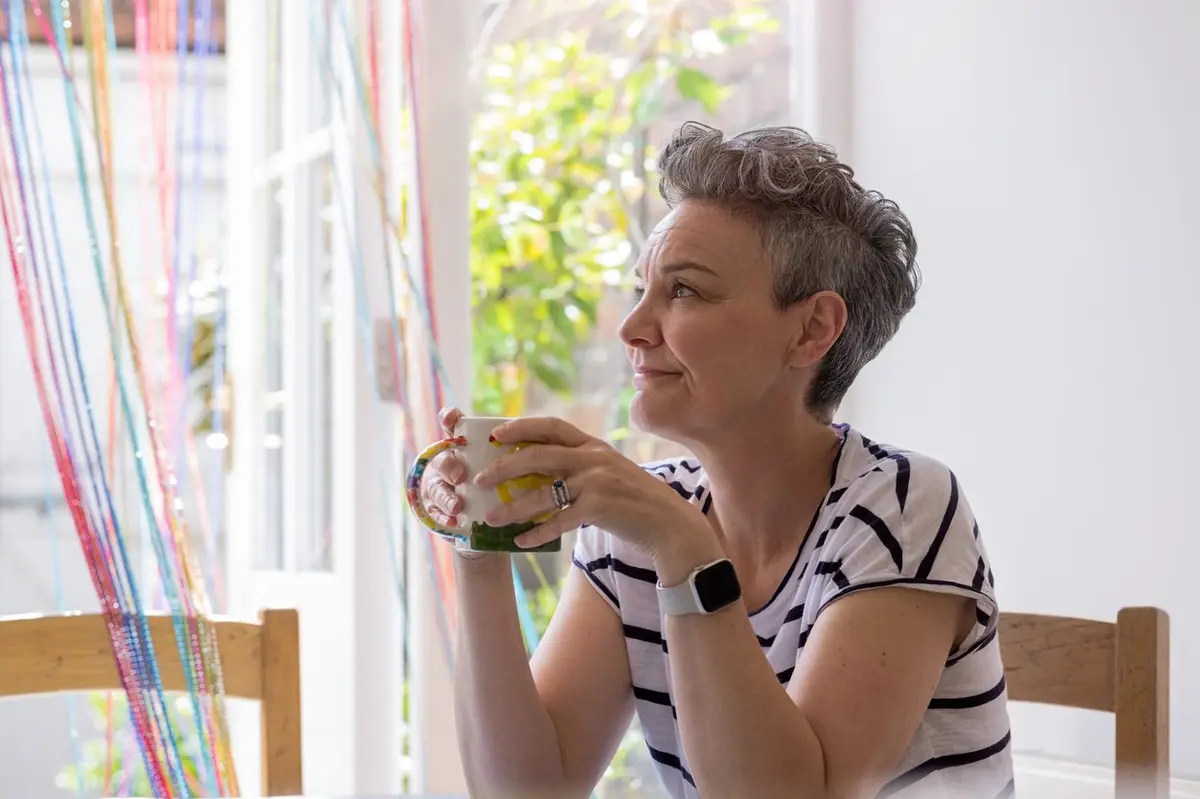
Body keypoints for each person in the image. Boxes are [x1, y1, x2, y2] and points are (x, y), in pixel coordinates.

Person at [420, 122, 1013, 799]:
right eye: (643, 288)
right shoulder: (638, 530)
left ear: (812, 329)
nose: (632, 327)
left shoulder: (902, 507)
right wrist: (479, 547)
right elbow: (527, 792)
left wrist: (682, 545)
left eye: (686, 291)